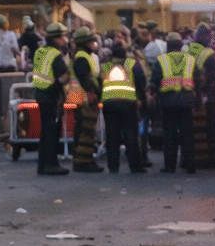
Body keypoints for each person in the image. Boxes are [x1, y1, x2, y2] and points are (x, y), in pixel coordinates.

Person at [100, 36, 146, 174]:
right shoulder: (132, 64)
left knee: (112, 136)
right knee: (131, 134)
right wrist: (141, 99)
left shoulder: (105, 66)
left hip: (109, 104)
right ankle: (135, 166)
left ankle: (113, 166)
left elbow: (98, 83)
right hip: (128, 103)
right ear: (125, 54)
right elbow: (140, 81)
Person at [31, 21, 71, 175]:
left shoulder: (40, 52)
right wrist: (64, 86)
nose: (65, 40)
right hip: (52, 96)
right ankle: (51, 164)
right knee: (53, 132)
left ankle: (43, 165)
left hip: (40, 95)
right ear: (57, 38)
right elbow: (63, 75)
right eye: (63, 37)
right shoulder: (55, 55)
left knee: (45, 132)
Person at [155, 31, 197, 173]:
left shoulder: (162, 60)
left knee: (169, 135)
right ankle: (190, 164)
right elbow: (198, 78)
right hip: (186, 101)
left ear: (168, 45)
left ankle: (170, 166)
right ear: (180, 45)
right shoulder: (190, 59)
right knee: (188, 134)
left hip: (168, 102)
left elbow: (155, 80)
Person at [69, 26, 103, 173]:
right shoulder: (82, 57)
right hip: (86, 99)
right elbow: (85, 78)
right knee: (86, 132)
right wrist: (93, 91)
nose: (94, 43)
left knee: (86, 131)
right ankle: (83, 162)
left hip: (83, 99)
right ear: (85, 43)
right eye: (91, 41)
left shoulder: (84, 56)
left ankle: (84, 160)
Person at [189, 22, 215, 168]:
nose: (210, 37)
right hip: (207, 94)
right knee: (209, 127)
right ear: (204, 36)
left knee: (193, 128)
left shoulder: (188, 50)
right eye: (208, 34)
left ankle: (193, 157)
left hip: (190, 93)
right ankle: (210, 159)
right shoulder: (208, 54)